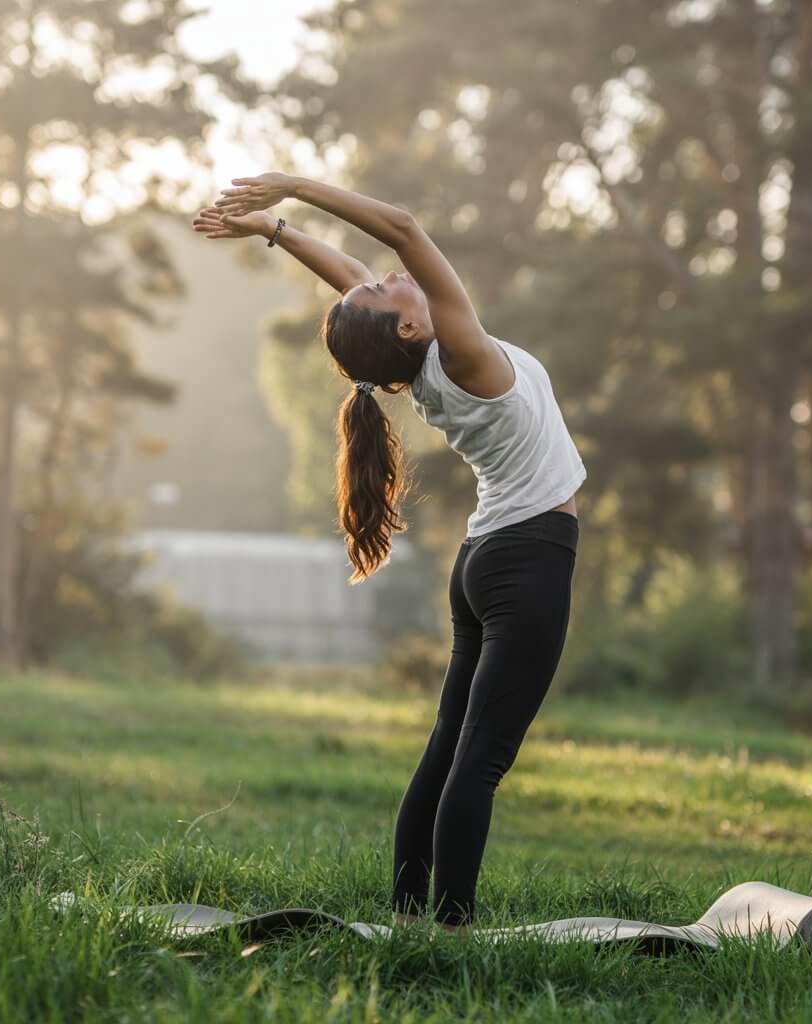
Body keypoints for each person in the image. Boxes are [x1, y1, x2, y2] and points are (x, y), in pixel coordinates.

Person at [192, 173, 586, 936]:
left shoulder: (417, 361)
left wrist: (275, 230)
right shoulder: (465, 353)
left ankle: (408, 918)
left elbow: (356, 279)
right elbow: (402, 229)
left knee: (448, 750)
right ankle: (450, 932)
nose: (392, 278)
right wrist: (294, 185)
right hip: (529, 558)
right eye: (388, 295)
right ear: (407, 330)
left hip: (484, 562)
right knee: (480, 761)